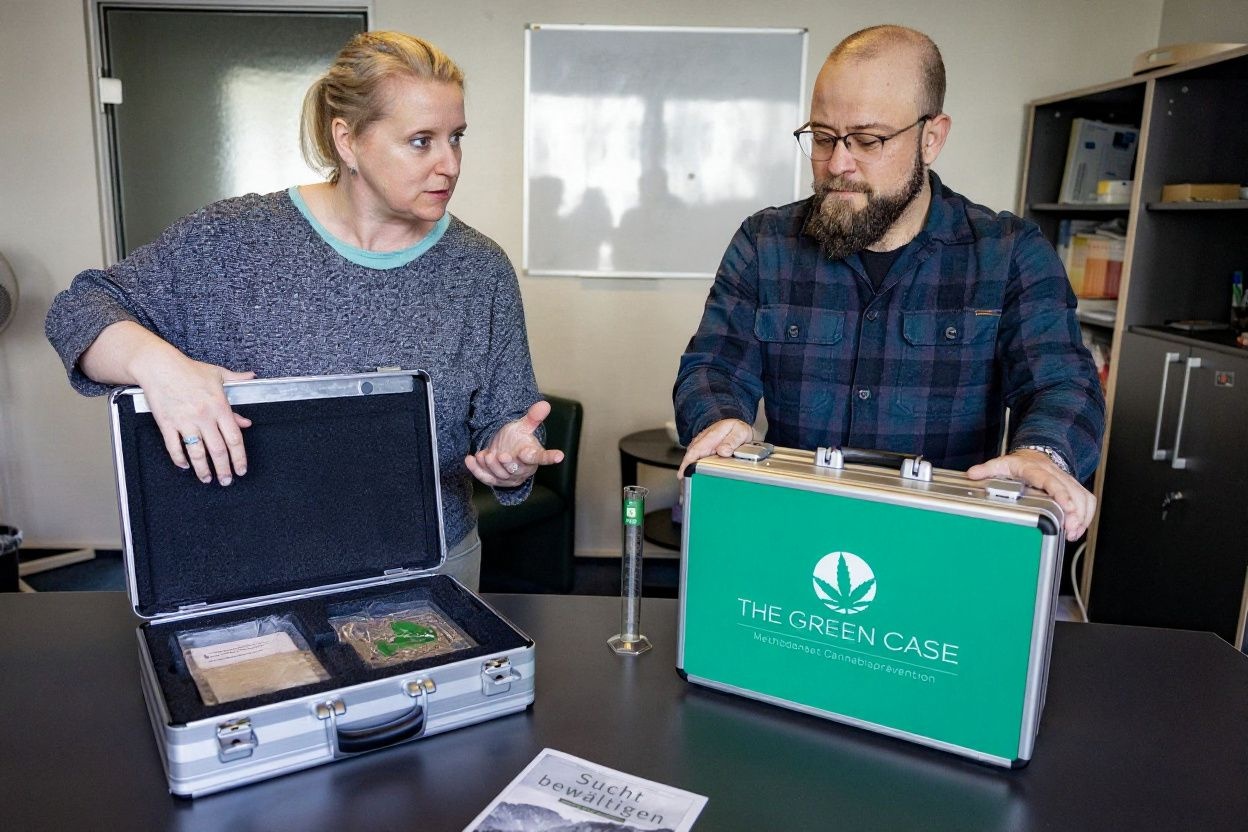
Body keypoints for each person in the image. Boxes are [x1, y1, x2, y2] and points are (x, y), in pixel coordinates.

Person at [45, 31, 562, 590]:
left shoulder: (480, 268)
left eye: (456, 138)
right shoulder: (233, 239)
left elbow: (507, 417)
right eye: (421, 141)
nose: (450, 164)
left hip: (430, 563)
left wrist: (511, 451)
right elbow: (78, 311)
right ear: (347, 140)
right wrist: (161, 368)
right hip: (255, 565)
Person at [673, 25, 1104, 542]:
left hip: (942, 543)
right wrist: (720, 420)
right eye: (823, 137)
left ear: (931, 138)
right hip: (795, 534)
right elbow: (714, 365)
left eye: (868, 140)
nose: (838, 164)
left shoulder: (1010, 253)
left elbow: (1062, 384)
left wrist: (1041, 453)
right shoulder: (765, 242)